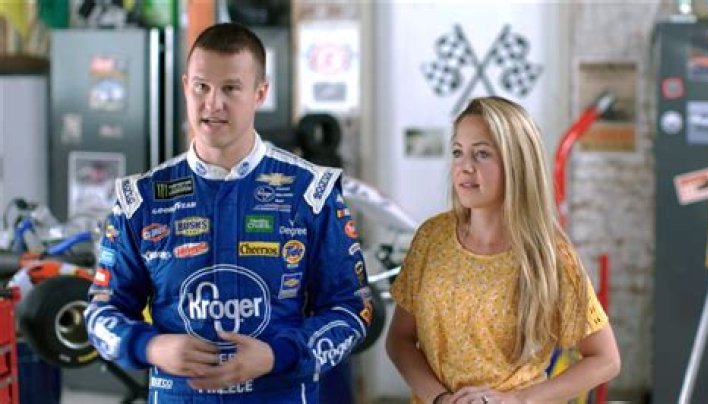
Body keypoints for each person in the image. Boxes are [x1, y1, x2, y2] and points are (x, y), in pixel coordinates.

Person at [84, 22, 372, 403]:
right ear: (185, 86)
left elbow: (352, 310)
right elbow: (101, 314)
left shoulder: (311, 192)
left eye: (231, 88)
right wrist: (150, 347)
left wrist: (277, 355)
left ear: (260, 93)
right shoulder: (141, 199)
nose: (212, 103)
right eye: (201, 86)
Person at [386, 96, 621, 404]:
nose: (464, 167)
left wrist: (519, 399)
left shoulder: (549, 255)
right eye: (458, 152)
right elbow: (399, 340)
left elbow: (605, 359)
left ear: (517, 164)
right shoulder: (431, 238)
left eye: (481, 154)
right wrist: (441, 399)